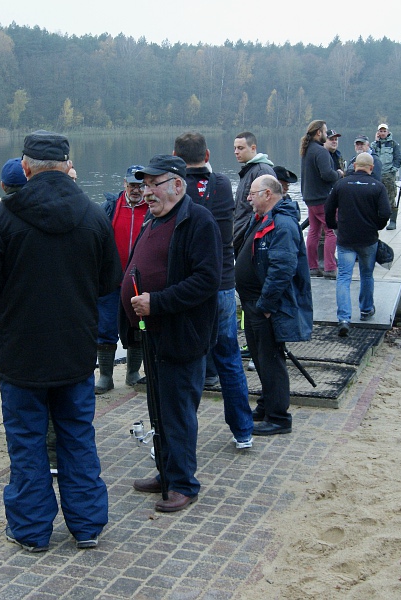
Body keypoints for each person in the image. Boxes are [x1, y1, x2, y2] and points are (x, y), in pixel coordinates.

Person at [0, 130, 121, 552]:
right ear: (67, 165)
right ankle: (87, 527)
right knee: (77, 436)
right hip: (75, 350)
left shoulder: (2, 217)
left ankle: (31, 531)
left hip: (21, 352)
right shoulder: (93, 215)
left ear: (25, 168)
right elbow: (109, 281)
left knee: (27, 442)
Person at [121, 155, 221, 513]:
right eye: (144, 185)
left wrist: (158, 303)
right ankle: (165, 473)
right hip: (153, 335)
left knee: (178, 412)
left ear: (177, 184)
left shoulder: (198, 221)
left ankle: (183, 484)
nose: (146, 192)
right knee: (159, 409)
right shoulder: (156, 219)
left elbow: (207, 280)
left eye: (154, 184)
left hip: (181, 334)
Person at [174, 132, 254, 450]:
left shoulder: (177, 192)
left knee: (188, 364)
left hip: (192, 287)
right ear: (207, 155)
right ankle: (243, 431)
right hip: (223, 284)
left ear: (175, 158)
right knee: (230, 359)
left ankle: (179, 435)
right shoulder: (222, 184)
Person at [235, 175, 312, 436]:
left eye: (252, 193)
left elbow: (283, 268)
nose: (248, 197)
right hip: (254, 303)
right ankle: (267, 405)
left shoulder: (283, 224)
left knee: (271, 360)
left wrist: (266, 305)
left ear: (268, 194)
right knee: (260, 357)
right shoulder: (262, 219)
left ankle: (279, 417)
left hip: (265, 306)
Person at [95, 165, 149, 394]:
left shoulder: (153, 208)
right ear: (124, 184)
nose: (136, 189)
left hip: (138, 281)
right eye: (132, 185)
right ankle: (105, 376)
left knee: (136, 326)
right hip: (110, 280)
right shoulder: (109, 207)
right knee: (105, 327)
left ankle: (133, 373)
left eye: (140, 185)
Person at [325, 153, 391, 336]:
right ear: (371, 168)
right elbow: (386, 212)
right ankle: (366, 310)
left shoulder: (341, 185)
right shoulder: (377, 187)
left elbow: (328, 209)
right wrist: (377, 226)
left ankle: (344, 318)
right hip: (368, 239)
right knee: (367, 274)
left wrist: (333, 226)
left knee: (344, 277)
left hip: (346, 239)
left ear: (354, 166)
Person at [300, 120, 342, 279]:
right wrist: (339, 174)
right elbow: (327, 174)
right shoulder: (320, 151)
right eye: (325, 132)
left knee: (314, 231)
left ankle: (312, 267)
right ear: (318, 133)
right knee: (331, 231)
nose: (326, 135)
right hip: (322, 199)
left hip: (310, 198)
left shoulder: (307, 150)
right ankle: (330, 268)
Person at [231, 131, 275, 249]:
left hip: (251, 235)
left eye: (240, 148)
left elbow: (268, 207)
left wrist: (251, 233)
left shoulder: (261, 171)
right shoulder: (249, 170)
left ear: (253, 148)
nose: (236, 152)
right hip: (241, 233)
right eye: (235, 148)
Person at [371, 124, 401, 230]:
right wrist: (376, 141)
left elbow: (398, 158)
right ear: (378, 132)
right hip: (377, 175)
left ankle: (393, 221)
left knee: (391, 197)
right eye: (381, 131)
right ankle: (377, 219)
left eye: (384, 131)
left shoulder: (393, 144)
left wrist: (393, 170)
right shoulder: (374, 144)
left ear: (388, 132)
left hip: (389, 175)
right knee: (375, 198)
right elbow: (370, 154)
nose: (382, 133)